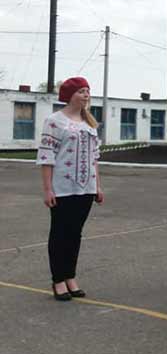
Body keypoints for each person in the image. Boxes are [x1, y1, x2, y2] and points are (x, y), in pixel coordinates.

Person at [36, 77, 104, 301]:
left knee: (75, 234)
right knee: (60, 233)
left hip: (86, 188)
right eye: (81, 91)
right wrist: (48, 189)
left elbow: (94, 158)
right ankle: (58, 280)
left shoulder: (90, 123)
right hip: (63, 188)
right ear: (70, 95)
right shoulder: (54, 121)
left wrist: (98, 186)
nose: (86, 95)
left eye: (87, 91)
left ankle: (70, 277)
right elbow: (47, 157)